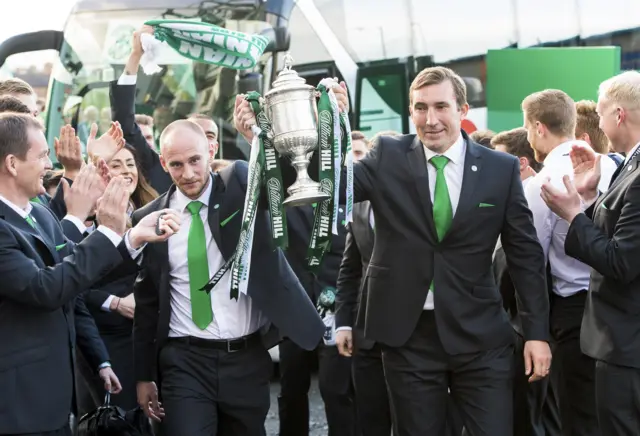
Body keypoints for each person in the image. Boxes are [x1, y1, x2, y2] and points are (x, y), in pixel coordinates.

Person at [235, 66, 552, 435]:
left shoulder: (501, 169)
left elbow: (526, 257)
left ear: (462, 110)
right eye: (420, 108)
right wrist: (264, 140)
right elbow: (326, 185)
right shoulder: (387, 155)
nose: (430, 119)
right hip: (408, 337)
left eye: (440, 107)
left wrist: (536, 333)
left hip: (480, 336)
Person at [131, 120, 324, 436]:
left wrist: (266, 136)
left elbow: (293, 177)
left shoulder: (240, 184)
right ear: (163, 164)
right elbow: (148, 303)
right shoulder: (149, 219)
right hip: (183, 361)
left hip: (245, 358)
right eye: (177, 165)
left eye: (195, 160)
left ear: (211, 150)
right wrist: (143, 375)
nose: (189, 173)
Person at [0, 113, 176, 435]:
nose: (48, 163)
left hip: (53, 396)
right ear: (12, 163)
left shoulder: (38, 212)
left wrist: (132, 238)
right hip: (18, 403)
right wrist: (107, 230)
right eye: (41, 156)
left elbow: (77, 277)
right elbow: (48, 288)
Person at [541, 70, 640, 436]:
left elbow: (621, 261)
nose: (595, 122)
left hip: (627, 346)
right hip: (618, 342)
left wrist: (570, 214)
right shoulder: (629, 164)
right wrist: (585, 202)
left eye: (599, 113)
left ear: (618, 115)